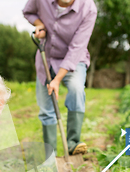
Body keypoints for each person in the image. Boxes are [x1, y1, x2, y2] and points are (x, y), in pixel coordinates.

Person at [23, 0, 97, 157]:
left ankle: (72, 143)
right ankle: (51, 153)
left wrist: (57, 80)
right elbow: (28, 11)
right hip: (47, 56)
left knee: (77, 89)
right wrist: (39, 24)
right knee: (46, 107)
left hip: (74, 59)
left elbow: (77, 48)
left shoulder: (88, 8)